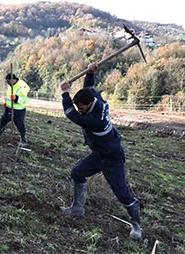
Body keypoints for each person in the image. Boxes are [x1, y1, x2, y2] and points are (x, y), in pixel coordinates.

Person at [59, 63, 142, 239]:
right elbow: (89, 87)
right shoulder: (97, 99)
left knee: (122, 194)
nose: (79, 110)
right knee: (77, 173)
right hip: (99, 154)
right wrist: (89, 73)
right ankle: (77, 208)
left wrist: (65, 93)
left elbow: (69, 113)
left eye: (81, 107)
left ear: (89, 104)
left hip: (112, 158)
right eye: (78, 107)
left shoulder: (93, 119)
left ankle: (136, 225)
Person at [0, 73, 30, 147]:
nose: (7, 83)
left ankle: (24, 140)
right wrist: (6, 103)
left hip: (18, 110)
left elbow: (24, 99)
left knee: (20, 124)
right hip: (9, 108)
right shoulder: (11, 86)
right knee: (3, 120)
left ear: (12, 80)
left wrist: (16, 98)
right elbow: (8, 96)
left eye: (8, 81)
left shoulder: (21, 87)